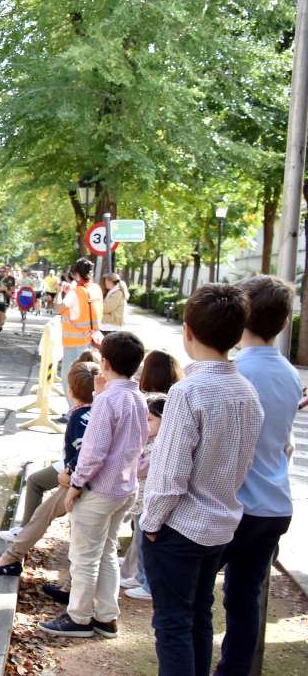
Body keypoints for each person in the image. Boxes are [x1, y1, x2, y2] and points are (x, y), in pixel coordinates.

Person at [141, 284, 262, 676]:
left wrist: (150, 522)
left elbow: (170, 473)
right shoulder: (246, 391)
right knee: (199, 616)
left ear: (188, 330)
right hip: (221, 524)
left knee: (173, 624)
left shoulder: (188, 391)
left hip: (179, 527)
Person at [216, 276, 299, 675]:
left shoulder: (233, 373)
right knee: (244, 597)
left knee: (196, 597)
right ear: (284, 324)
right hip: (275, 503)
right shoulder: (288, 373)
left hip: (238, 505)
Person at [39, 331, 146, 639]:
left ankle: (79, 616)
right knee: (107, 552)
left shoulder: (108, 401)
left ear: (105, 362)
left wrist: (75, 485)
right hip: (125, 486)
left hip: (99, 488)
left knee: (85, 555)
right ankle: (106, 615)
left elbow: (93, 450)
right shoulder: (136, 397)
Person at [0, 361, 99, 579]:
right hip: (85, 480)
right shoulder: (95, 411)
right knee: (46, 516)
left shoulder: (80, 417)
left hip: (81, 482)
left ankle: (10, 559)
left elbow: (84, 455)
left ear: (70, 391)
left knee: (45, 518)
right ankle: (10, 558)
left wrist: (70, 475)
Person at [120, 393, 166, 601]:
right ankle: (139, 576)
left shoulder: (158, 445)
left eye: (149, 420)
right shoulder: (149, 441)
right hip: (140, 502)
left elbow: (138, 469)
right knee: (139, 541)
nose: (144, 425)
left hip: (149, 502)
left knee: (145, 544)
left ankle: (148, 584)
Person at [59, 259, 103, 399]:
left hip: (74, 342)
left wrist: (60, 292)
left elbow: (58, 308)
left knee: (70, 377)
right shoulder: (96, 289)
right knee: (89, 376)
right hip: (92, 338)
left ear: (77, 275)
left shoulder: (75, 292)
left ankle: (73, 410)